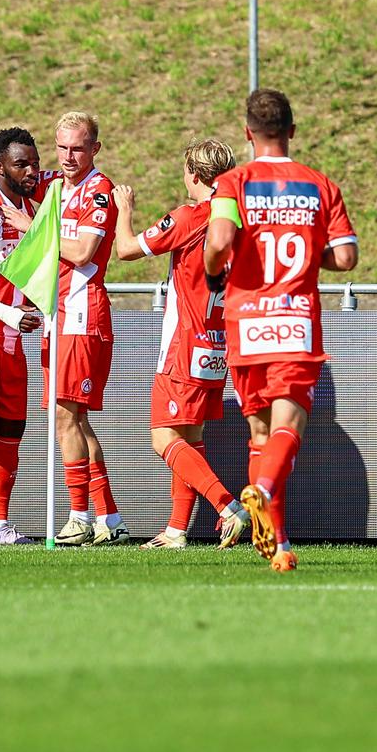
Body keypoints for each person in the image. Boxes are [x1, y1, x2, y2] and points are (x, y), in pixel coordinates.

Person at [203, 89, 359, 572]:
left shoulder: (233, 183)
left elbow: (221, 240)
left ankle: (275, 541)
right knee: (289, 428)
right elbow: (346, 257)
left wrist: (214, 271)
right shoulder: (318, 184)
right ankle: (263, 493)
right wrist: (309, 251)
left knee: (259, 432)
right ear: (292, 130)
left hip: (246, 320)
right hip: (293, 321)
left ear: (248, 132)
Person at [111, 139, 250, 550]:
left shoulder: (191, 216)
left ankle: (228, 506)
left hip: (185, 345)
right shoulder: (237, 221)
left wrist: (124, 212)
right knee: (190, 437)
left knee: (163, 439)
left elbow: (126, 249)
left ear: (194, 173)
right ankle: (176, 530)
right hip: (219, 344)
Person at [46, 112, 126, 545]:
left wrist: (37, 231)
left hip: (82, 313)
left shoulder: (99, 191)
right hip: (57, 313)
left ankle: (78, 515)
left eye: (77, 148)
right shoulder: (57, 187)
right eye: (62, 147)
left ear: (95, 148)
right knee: (73, 419)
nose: (68, 156)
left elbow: (82, 251)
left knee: (66, 415)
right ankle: (108, 518)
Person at [0, 128, 47, 545]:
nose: (32, 170)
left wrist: (31, 308)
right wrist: (4, 311)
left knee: (12, 427)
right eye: (22, 164)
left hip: (16, 333)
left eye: (35, 162)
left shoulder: (31, 209)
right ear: (0, 167)